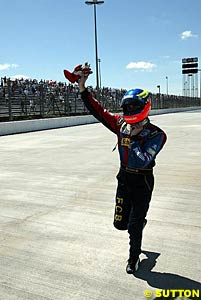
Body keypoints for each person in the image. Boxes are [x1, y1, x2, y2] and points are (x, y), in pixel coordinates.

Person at [64, 64, 167, 274]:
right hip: (123, 178)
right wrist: (82, 87)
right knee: (120, 224)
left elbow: (141, 161)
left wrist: (134, 137)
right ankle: (138, 223)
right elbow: (99, 111)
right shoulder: (121, 124)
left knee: (134, 226)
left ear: (144, 107)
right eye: (126, 107)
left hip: (142, 182)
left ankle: (133, 258)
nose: (128, 111)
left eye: (133, 107)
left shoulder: (157, 135)